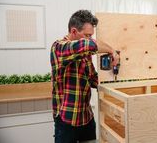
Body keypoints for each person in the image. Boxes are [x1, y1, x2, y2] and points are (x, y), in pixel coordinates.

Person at [50, 10, 119, 143]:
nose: (90, 38)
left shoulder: (85, 54)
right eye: (87, 35)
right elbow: (88, 45)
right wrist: (112, 50)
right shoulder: (59, 48)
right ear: (74, 31)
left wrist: (111, 80)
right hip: (66, 119)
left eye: (91, 35)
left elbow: (93, 79)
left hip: (86, 118)